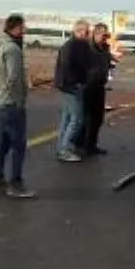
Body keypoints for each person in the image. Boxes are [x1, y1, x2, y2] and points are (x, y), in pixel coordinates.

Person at [0, 13, 35, 198]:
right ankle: (15, 183)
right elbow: (14, 78)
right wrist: (18, 99)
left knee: (2, 143)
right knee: (18, 145)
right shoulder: (13, 50)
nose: (25, 30)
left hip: (0, 101)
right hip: (11, 103)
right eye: (23, 27)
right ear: (15, 28)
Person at [53, 20, 92, 163]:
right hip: (72, 86)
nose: (86, 34)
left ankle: (61, 146)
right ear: (77, 31)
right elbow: (68, 66)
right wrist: (73, 83)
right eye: (84, 31)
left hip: (69, 85)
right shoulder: (73, 46)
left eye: (87, 32)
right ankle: (65, 148)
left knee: (68, 117)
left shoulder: (76, 45)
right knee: (77, 118)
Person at [82, 22, 113, 156]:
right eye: (103, 35)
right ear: (96, 34)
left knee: (98, 118)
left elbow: (106, 63)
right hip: (88, 86)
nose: (105, 38)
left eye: (106, 35)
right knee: (86, 118)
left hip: (100, 85)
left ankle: (91, 145)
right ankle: (83, 145)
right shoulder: (88, 48)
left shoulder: (105, 48)